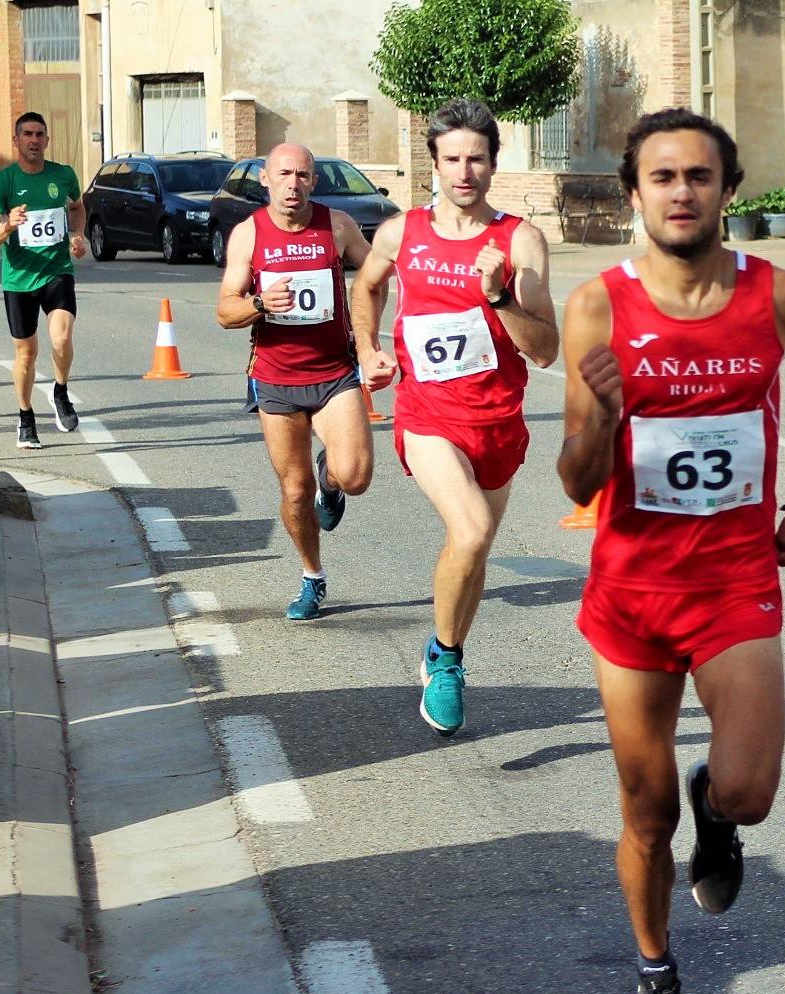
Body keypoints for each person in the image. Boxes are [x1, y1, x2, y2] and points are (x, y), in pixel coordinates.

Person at [557, 108, 785, 994]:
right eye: (661, 177)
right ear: (633, 195)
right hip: (633, 590)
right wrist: (601, 417)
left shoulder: (781, 295)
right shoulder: (599, 306)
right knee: (643, 811)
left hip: (734, 581)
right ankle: (654, 972)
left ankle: (717, 813)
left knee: (752, 788)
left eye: (699, 176)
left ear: (729, 190)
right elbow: (575, 480)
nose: (680, 191)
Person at [350, 98, 558, 734]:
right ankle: (445, 666)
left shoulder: (519, 240)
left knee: (475, 548)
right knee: (468, 531)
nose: (464, 171)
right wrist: (368, 349)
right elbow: (366, 286)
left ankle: (445, 648)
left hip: (497, 419)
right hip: (426, 412)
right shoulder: (401, 232)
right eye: (452, 159)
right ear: (433, 165)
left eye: (476, 159)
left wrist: (498, 294)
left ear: (494, 165)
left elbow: (545, 348)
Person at [217, 143, 376, 620]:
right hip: (275, 379)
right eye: (284, 174)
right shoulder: (249, 235)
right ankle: (312, 577)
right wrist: (261, 304)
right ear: (265, 179)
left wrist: (368, 338)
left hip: (333, 373)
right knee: (293, 490)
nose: (293, 184)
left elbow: (374, 274)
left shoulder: (337, 225)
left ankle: (333, 482)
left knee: (356, 476)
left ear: (314, 181)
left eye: (303, 175)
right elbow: (226, 309)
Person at [0, 112, 87, 449]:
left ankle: (60, 391)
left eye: (40, 134)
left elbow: (78, 206)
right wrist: (9, 225)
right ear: (16, 140)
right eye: (27, 134)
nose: (34, 140)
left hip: (57, 270)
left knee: (61, 337)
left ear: (47, 140)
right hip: (18, 279)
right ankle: (26, 417)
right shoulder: (4, 182)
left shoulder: (63, 175)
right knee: (26, 353)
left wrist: (79, 235)